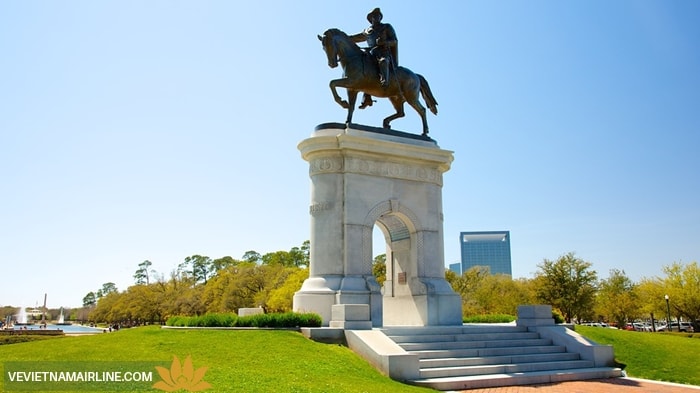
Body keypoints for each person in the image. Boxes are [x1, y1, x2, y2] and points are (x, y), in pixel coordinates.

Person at [350, 8, 398, 108]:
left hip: (383, 52)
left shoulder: (386, 27)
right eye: (375, 16)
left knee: (383, 62)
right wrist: (342, 37)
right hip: (371, 54)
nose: (377, 17)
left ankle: (385, 82)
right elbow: (354, 38)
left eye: (379, 16)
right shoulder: (367, 32)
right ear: (371, 18)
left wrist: (385, 42)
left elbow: (394, 41)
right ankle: (367, 98)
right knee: (364, 69)